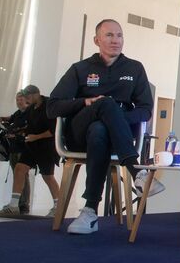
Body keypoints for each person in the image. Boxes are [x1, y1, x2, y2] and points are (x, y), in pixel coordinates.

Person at [47, 19, 160, 235]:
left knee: (100, 129)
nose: (115, 40)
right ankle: (136, 170)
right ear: (96, 40)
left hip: (113, 136)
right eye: (109, 35)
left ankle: (89, 211)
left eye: (119, 35)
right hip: (79, 133)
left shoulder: (134, 68)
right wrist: (85, 102)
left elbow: (145, 110)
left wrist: (115, 118)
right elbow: (52, 107)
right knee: (104, 103)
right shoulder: (80, 68)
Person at [0, 85, 60, 216]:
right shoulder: (31, 108)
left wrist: (36, 136)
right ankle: (14, 205)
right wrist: (17, 133)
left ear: (33, 95)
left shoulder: (49, 105)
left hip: (46, 147)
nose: (25, 100)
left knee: (48, 176)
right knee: (19, 168)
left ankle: (58, 205)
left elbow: (53, 130)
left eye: (26, 97)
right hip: (32, 145)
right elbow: (23, 121)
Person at [0, 91, 31, 214]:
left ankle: (23, 204)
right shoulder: (18, 113)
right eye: (17, 99)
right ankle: (17, 203)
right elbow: (10, 118)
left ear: (27, 99)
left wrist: (17, 133)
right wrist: (1, 119)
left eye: (20, 99)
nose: (18, 101)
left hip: (23, 149)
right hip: (14, 148)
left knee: (23, 176)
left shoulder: (30, 113)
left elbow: (29, 129)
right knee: (17, 176)